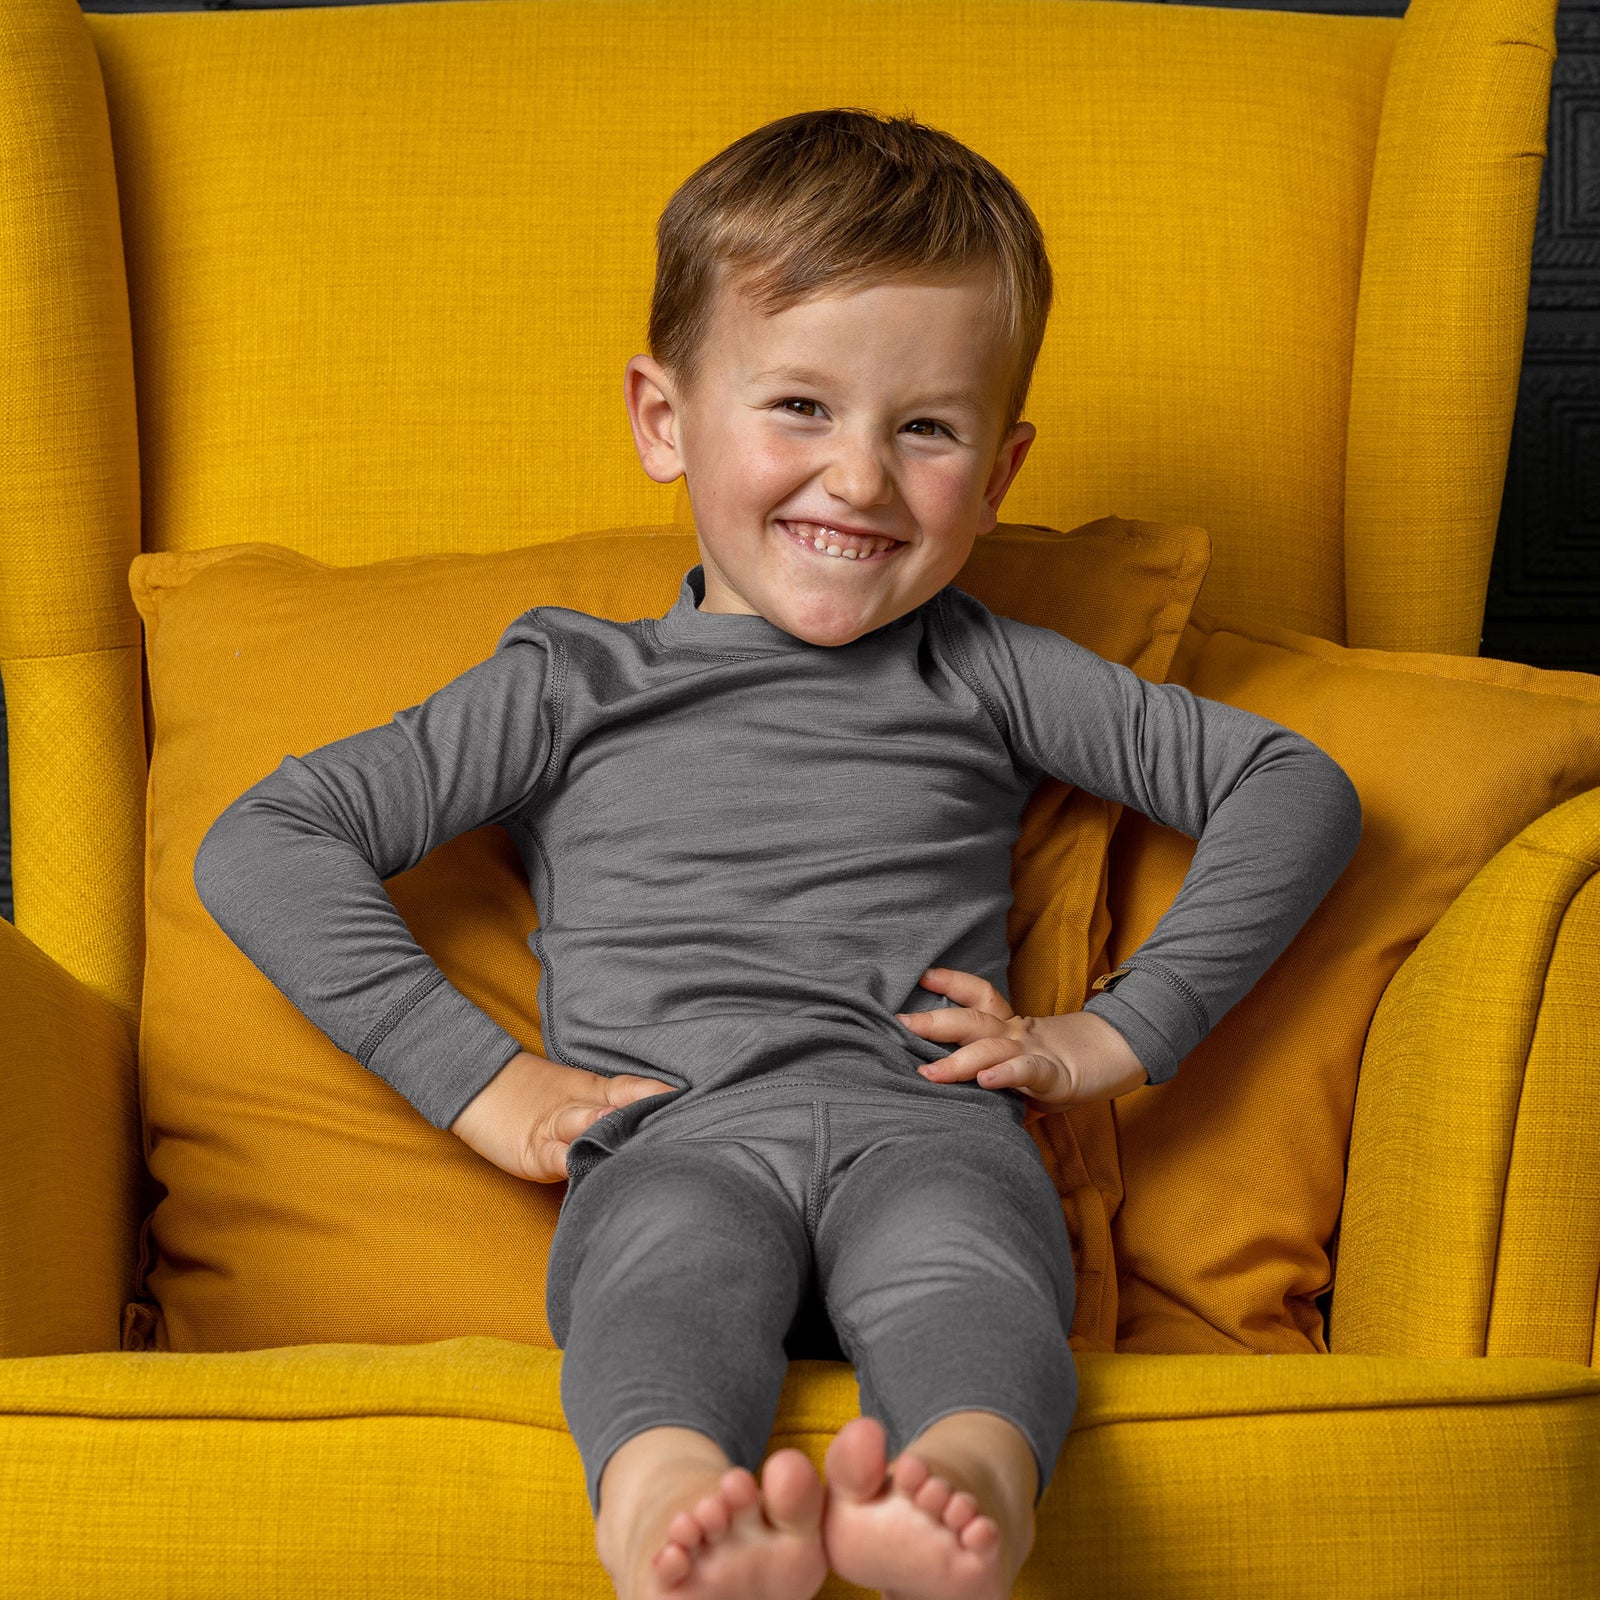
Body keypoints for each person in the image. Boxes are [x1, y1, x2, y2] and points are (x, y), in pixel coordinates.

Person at [193, 107, 1363, 1600]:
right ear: (665, 420)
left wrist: (1114, 1035)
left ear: (998, 471)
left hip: (925, 1120)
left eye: (923, 428)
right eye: (800, 406)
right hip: (671, 1130)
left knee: (970, 1272)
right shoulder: (573, 680)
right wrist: (486, 1088)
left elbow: (1291, 786)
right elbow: (269, 840)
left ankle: (967, 1493)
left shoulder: (989, 666)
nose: (860, 481)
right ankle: (668, 1511)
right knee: (664, 1279)